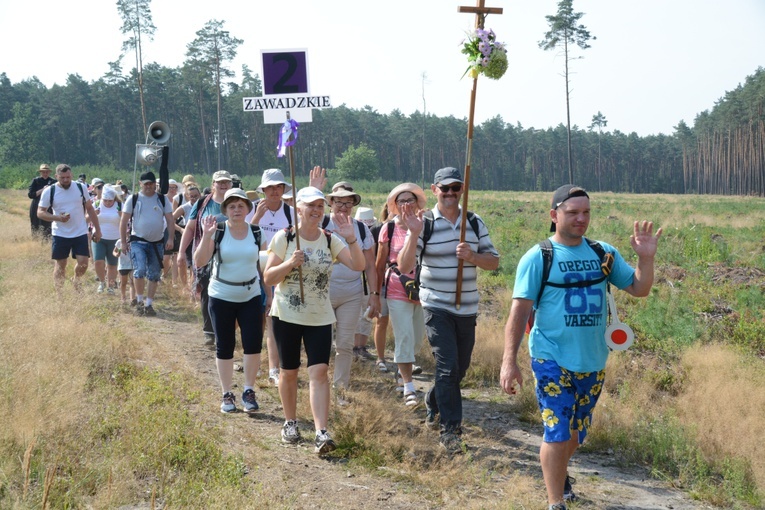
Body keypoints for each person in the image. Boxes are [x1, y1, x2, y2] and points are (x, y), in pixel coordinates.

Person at [500, 185, 662, 510]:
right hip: (550, 358)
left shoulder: (603, 252)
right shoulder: (539, 257)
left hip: (593, 361)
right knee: (557, 431)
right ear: (553, 215)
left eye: (586, 212)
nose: (581, 218)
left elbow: (639, 288)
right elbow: (518, 313)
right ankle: (555, 501)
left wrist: (646, 258)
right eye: (572, 212)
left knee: (575, 435)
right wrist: (509, 361)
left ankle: (555, 471)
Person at [397, 167, 500, 453]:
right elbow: (404, 267)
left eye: (456, 188)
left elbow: (494, 261)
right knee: (447, 366)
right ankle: (451, 432)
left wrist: (472, 256)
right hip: (436, 306)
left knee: (458, 370)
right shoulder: (424, 223)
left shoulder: (474, 223)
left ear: (462, 190)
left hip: (467, 308)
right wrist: (411, 235)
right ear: (434, 190)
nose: (451, 193)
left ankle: (433, 400)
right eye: (445, 188)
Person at [264, 186, 365, 454]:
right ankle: (290, 423)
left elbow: (358, 266)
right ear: (299, 209)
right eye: (311, 206)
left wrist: (352, 239)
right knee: (289, 371)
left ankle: (321, 431)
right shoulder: (284, 238)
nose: (316, 211)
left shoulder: (331, 239)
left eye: (320, 206)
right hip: (287, 314)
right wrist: (289, 264)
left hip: (319, 317)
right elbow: (268, 277)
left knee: (319, 372)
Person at [194, 188, 266, 414]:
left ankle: (248, 390)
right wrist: (206, 235)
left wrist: (270, 294)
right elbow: (199, 261)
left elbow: (264, 267)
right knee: (224, 345)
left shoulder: (257, 232)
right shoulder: (218, 231)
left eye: (241, 206)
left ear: (247, 209)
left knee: (252, 344)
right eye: (232, 206)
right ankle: (227, 393)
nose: (236, 210)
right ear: (225, 210)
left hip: (251, 295)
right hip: (221, 295)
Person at [323, 182, 380, 394]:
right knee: (320, 343)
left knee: (345, 343)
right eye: (339, 202)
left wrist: (374, 295)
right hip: (323, 292)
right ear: (330, 203)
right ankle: (319, 383)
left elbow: (370, 266)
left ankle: (340, 387)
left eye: (349, 203)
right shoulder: (320, 223)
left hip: (351, 294)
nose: (344, 207)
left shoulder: (362, 229)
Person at [376, 183, 428, 406]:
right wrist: (376, 294)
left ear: (417, 203)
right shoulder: (388, 229)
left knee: (417, 337)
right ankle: (409, 387)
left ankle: (401, 368)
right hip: (397, 288)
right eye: (401, 201)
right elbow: (379, 264)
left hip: (424, 289)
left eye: (410, 200)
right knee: (404, 335)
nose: (406, 204)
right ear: (394, 206)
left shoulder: (427, 226)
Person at [248, 168, 296, 386]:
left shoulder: (291, 213)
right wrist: (256, 217)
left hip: (280, 272)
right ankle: (252, 362)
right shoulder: (252, 210)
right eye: (270, 188)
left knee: (273, 320)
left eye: (278, 187)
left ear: (283, 189)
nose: (274, 191)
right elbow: (243, 234)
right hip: (251, 270)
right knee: (252, 320)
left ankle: (273, 368)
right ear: (263, 189)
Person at [177, 171, 233, 344]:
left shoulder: (236, 202)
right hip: (206, 253)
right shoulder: (203, 203)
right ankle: (210, 330)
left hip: (231, 254)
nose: (223, 185)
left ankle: (224, 329)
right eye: (219, 182)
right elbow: (190, 228)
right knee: (208, 291)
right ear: (213, 183)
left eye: (226, 182)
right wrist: (181, 252)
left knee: (229, 293)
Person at [37, 164, 102, 291]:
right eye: (62, 178)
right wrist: (57, 218)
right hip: (60, 233)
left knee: (83, 263)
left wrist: (98, 230)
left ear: (71, 175)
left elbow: (90, 208)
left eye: (68, 177)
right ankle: (59, 296)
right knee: (61, 265)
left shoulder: (80, 187)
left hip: (80, 231)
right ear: (56, 177)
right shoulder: (50, 191)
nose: (66, 180)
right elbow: (40, 212)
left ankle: (76, 280)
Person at [119, 171, 174, 317]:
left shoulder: (162, 199)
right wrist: (123, 242)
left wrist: (170, 238)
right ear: (140, 184)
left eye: (151, 184)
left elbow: (170, 219)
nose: (149, 186)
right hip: (138, 240)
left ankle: (149, 304)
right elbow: (123, 221)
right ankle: (139, 301)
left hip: (157, 243)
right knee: (140, 270)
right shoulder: (134, 199)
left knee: (154, 273)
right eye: (146, 184)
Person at [353, 206, 380, 361]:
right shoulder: (358, 232)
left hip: (369, 279)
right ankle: (356, 346)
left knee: (367, 314)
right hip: (357, 278)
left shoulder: (371, 232)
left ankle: (360, 347)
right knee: (357, 314)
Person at [92, 186, 121, 293]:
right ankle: (102, 282)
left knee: (112, 264)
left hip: (115, 238)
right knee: (98, 262)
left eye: (110, 201)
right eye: (105, 201)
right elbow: (86, 218)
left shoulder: (120, 206)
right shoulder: (96, 204)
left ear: (114, 199)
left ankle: (111, 286)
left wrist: (121, 215)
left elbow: (127, 221)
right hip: (99, 237)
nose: (108, 203)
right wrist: (93, 214)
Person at [28, 164, 56, 239]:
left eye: (47, 172)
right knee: (35, 223)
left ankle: (48, 240)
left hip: (49, 206)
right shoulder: (36, 181)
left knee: (48, 224)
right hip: (36, 204)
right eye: (43, 172)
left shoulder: (53, 181)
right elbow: (31, 195)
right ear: (41, 172)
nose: (45, 174)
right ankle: (36, 239)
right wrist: (43, 190)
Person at [113, 238, 136, 305]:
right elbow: (114, 251)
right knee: (123, 283)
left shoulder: (134, 241)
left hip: (132, 265)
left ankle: (132, 299)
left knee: (132, 282)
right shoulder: (119, 241)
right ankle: (123, 297)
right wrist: (116, 254)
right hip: (123, 265)